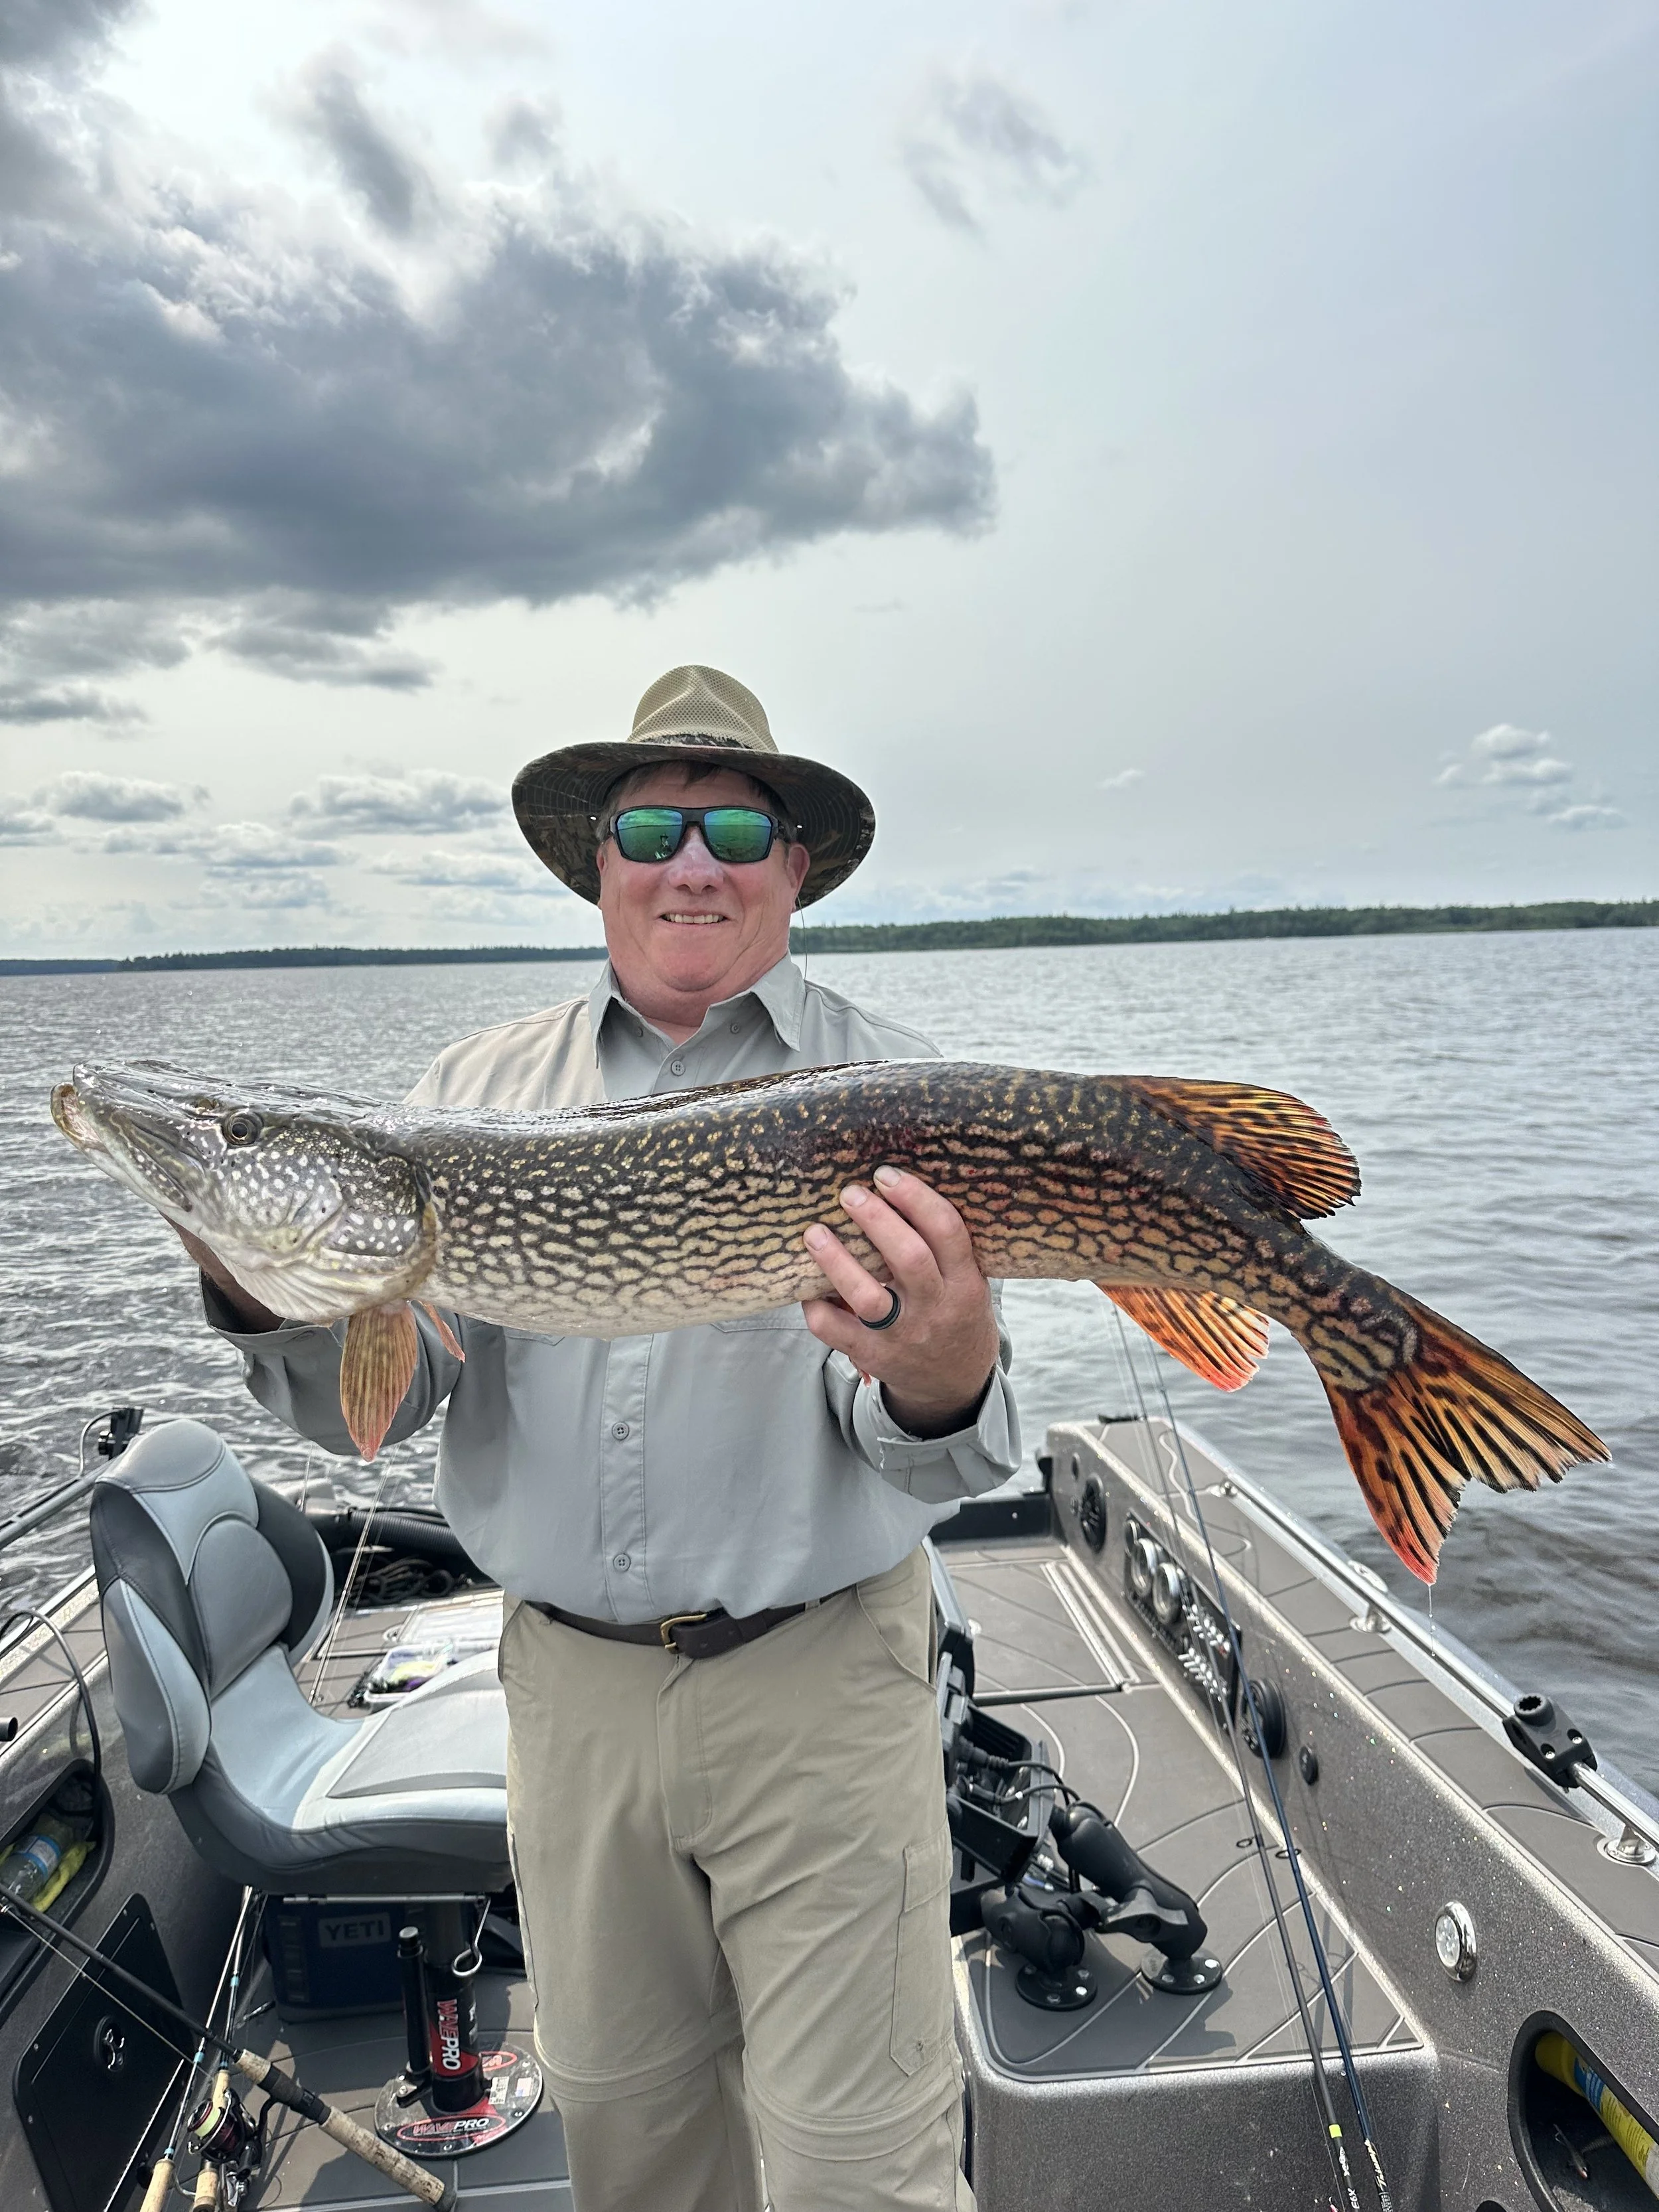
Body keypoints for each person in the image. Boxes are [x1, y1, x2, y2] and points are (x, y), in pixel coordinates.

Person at [182, 664, 1021, 2212]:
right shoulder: (467, 1105)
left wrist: (946, 1371)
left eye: (730, 826)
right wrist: (262, 1284)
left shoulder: (888, 1094)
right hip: (569, 1706)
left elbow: (935, 1454)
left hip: (822, 1689)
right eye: (648, 823)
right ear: (598, 862)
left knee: (864, 2173)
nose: (687, 858)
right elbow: (381, 1400)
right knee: (632, 2149)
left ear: (792, 866)